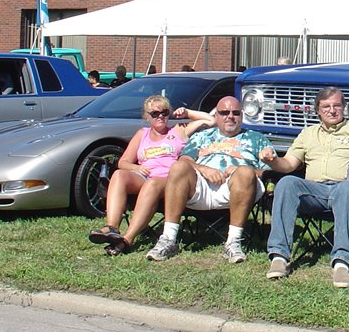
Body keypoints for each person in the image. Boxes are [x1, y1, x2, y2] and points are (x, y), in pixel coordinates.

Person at [260, 87, 349, 288]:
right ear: (317, 109)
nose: (332, 110)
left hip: (346, 191)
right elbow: (289, 165)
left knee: (348, 187)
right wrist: (273, 161)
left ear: (344, 108)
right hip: (314, 191)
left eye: (337, 105)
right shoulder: (307, 134)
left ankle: (342, 263)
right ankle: (279, 257)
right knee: (287, 182)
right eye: (326, 106)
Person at [145, 96, 272, 264]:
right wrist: (204, 169)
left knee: (245, 173)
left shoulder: (257, 139)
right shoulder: (202, 136)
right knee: (178, 167)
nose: (230, 116)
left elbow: (269, 171)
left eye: (235, 113)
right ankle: (168, 239)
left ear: (242, 115)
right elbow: (185, 160)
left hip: (238, 186)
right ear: (216, 116)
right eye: (224, 112)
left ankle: (233, 242)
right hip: (200, 185)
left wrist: (243, 170)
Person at [89, 96, 213, 255]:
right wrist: (135, 167)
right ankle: (111, 227)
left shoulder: (179, 130)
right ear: (146, 116)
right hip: (145, 176)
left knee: (152, 184)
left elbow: (211, 120)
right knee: (119, 175)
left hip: (171, 181)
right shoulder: (142, 134)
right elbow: (123, 162)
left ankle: (127, 239)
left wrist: (187, 112)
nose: (160, 116)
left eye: (164, 112)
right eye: (154, 113)